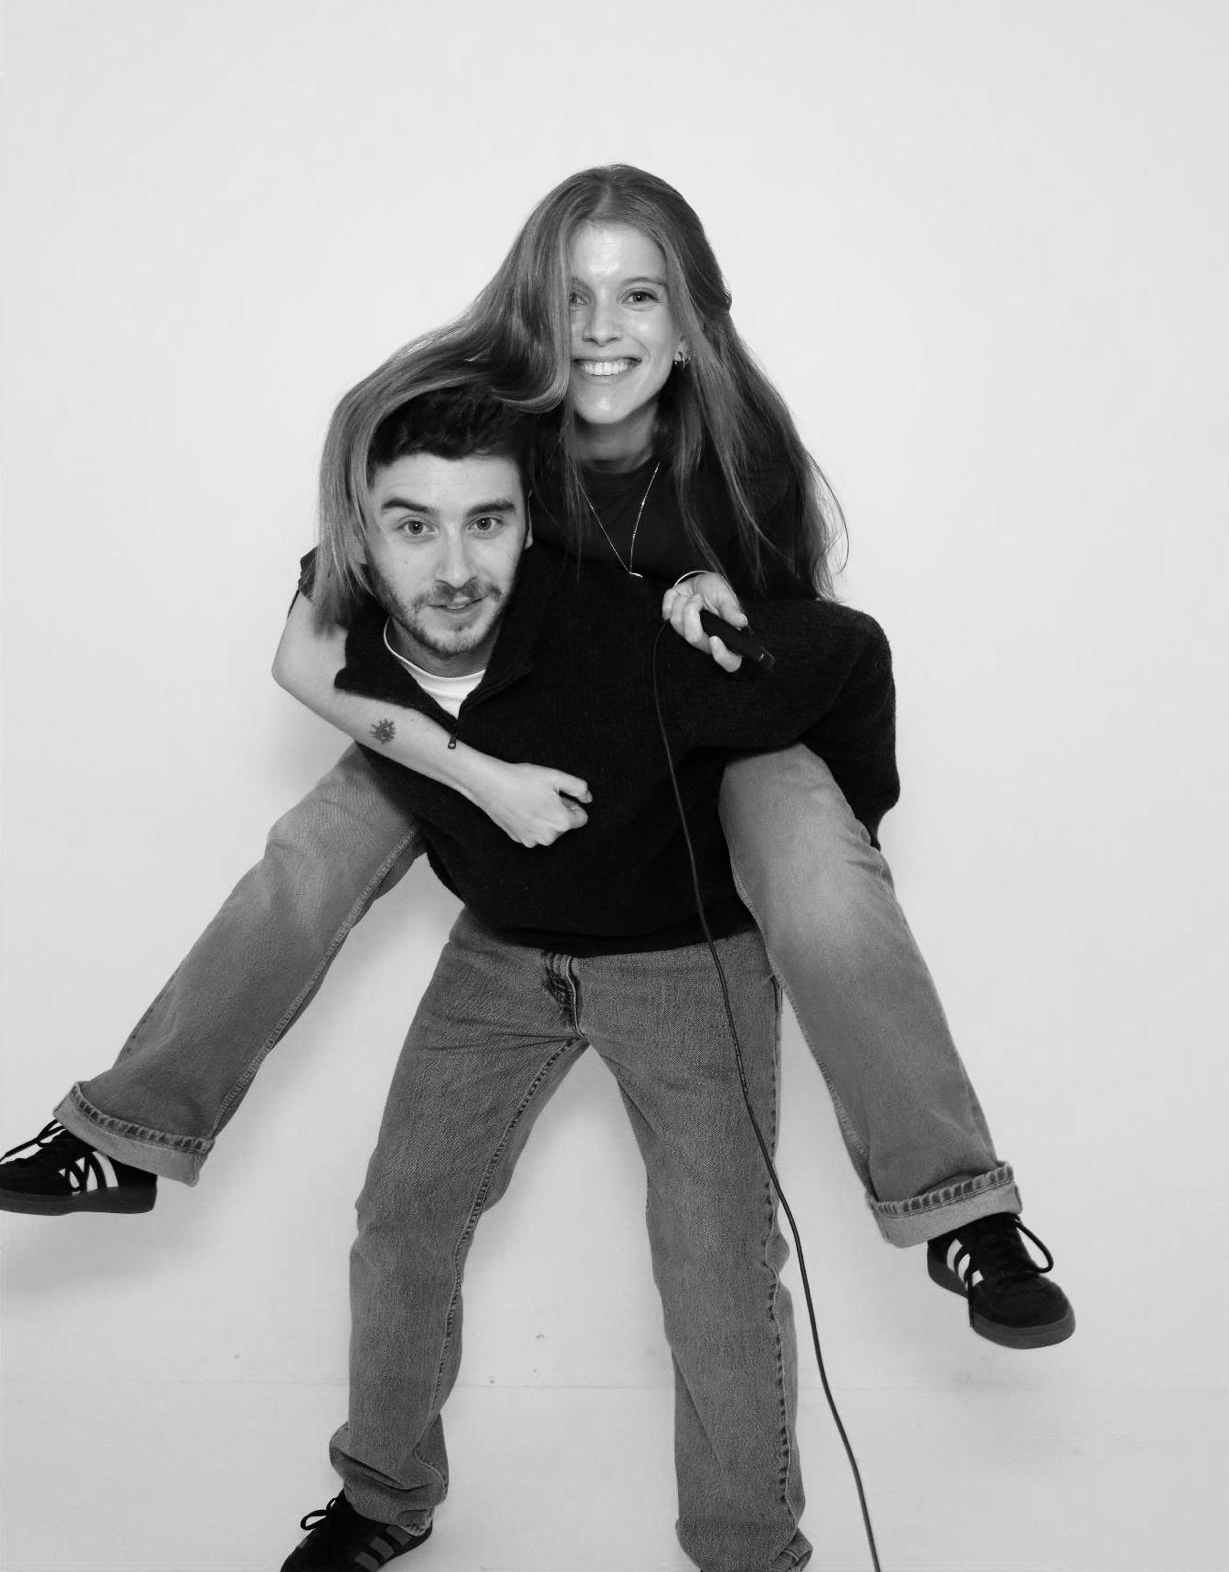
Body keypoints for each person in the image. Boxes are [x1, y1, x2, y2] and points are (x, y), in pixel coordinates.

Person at [0, 164, 1072, 1352]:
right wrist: (476, 775)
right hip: (493, 728)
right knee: (315, 846)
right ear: (531, 312)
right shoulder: (480, 428)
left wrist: (712, 591)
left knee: (821, 871)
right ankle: (125, 1136)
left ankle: (961, 1212)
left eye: (638, 296)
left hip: (683, 752)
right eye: (572, 297)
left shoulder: (743, 454)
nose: (601, 328)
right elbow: (307, 658)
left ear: (689, 324)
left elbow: (778, 658)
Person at [281, 379, 896, 1572]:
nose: (451, 563)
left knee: (715, 1273)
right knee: (401, 1219)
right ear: (369, 537)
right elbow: (307, 654)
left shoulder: (634, 628)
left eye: (486, 522)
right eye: (413, 526)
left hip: (683, 963)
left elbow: (847, 653)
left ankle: (747, 1551)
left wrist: (831, 846)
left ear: (533, 523)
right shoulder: (379, 636)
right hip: (500, 958)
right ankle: (384, 1495)